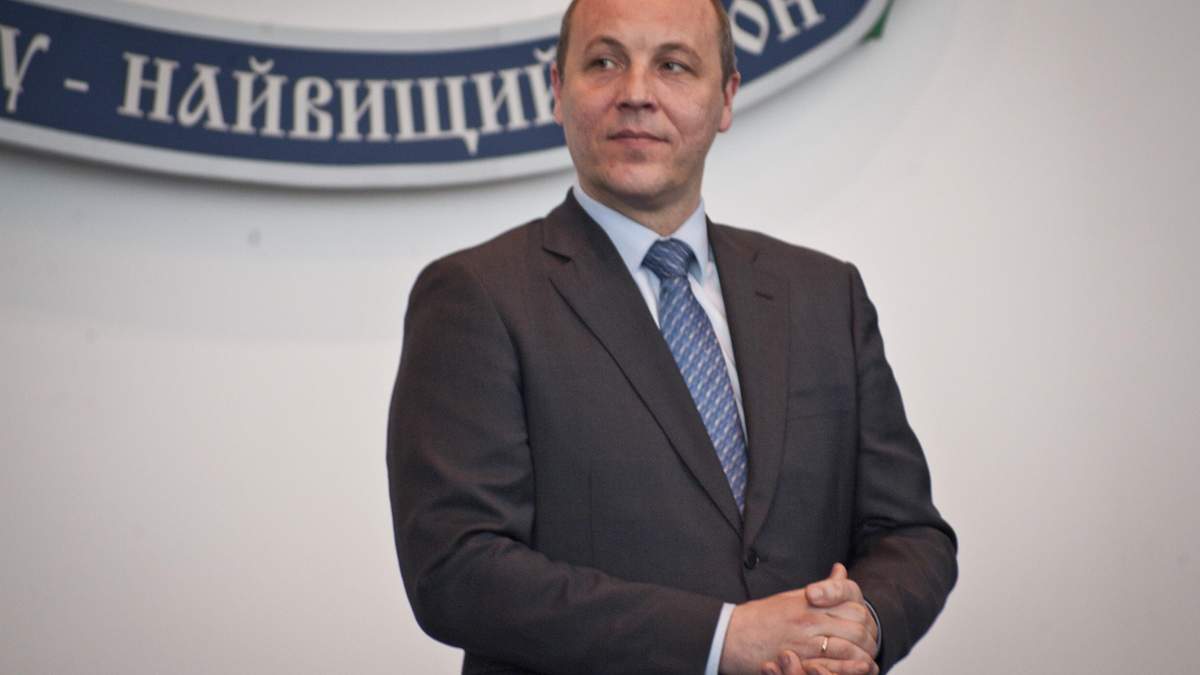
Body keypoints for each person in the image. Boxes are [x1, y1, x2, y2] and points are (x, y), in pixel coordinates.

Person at [387, 1, 957, 673]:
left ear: (726, 98)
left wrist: (858, 625)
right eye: (604, 62)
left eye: (674, 66)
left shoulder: (826, 295)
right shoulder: (477, 296)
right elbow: (456, 569)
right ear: (558, 91)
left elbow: (909, 533)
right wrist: (723, 638)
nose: (636, 93)